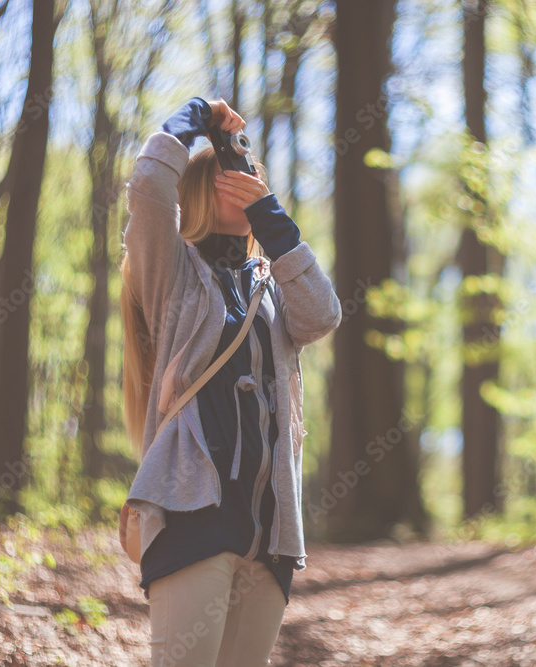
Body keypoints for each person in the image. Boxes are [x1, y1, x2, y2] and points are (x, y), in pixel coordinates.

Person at [119, 96, 342, 666]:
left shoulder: (272, 287)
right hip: (193, 512)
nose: (245, 178)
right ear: (199, 191)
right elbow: (147, 189)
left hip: (269, 528)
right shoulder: (174, 274)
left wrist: (274, 223)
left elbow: (323, 314)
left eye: (251, 175)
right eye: (229, 174)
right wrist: (194, 118)